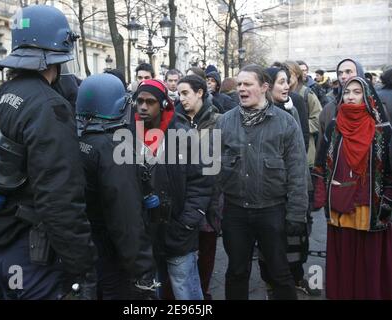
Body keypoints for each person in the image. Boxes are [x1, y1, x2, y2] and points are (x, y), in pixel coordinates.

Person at [0, 5, 97, 300]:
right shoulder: (50, 107)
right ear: (57, 56)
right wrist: (82, 261)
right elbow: (60, 197)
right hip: (33, 254)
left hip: (1, 246)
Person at [216, 64, 308, 300]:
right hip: (235, 213)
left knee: (279, 274)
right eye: (239, 85)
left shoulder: (286, 123)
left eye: (248, 84)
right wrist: (213, 208)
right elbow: (211, 170)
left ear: (264, 87)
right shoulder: (224, 122)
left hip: (272, 211)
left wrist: (296, 214)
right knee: (236, 272)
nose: (241, 89)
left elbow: (298, 171)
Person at [76, 73, 157, 300]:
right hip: (112, 251)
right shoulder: (113, 149)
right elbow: (126, 215)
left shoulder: (79, 138)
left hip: (88, 245)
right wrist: (142, 268)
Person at [132, 79, 212, 300]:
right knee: (150, 292)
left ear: (164, 104)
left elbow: (202, 183)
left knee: (186, 291)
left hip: (178, 232)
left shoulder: (184, 136)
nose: (143, 107)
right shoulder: (128, 135)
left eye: (150, 102)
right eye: (139, 101)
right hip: (144, 235)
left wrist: (186, 222)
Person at [313, 76, 392, 299]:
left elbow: (389, 169)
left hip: (371, 210)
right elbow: (320, 164)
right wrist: (320, 194)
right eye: (347, 92)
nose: (350, 96)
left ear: (367, 96)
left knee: (369, 263)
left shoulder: (382, 131)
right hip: (340, 208)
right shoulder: (333, 127)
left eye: (357, 92)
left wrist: (387, 201)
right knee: (344, 261)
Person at [259, 67, 320, 297]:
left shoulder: (294, 106)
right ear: (267, 86)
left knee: (296, 240)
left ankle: (294, 278)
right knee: (271, 244)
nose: (287, 86)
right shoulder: (258, 112)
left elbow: (301, 144)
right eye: (281, 82)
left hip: (295, 184)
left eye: (288, 82)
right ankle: (272, 284)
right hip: (270, 191)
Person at [176, 74, 221, 300]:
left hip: (210, 201)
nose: (181, 99)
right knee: (181, 259)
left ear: (200, 92)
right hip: (182, 200)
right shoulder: (173, 121)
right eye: (179, 94)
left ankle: (202, 294)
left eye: (185, 93)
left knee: (206, 256)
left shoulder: (218, 120)